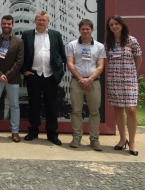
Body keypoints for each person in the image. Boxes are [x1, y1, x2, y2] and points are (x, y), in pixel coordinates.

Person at [21, 11, 66, 145]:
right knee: (33, 104)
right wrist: (24, 71)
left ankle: (52, 134)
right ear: (35, 21)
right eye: (39, 20)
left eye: (44, 20)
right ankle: (33, 130)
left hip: (50, 76)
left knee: (51, 106)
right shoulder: (27, 35)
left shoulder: (55, 35)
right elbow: (21, 54)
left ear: (48, 22)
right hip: (34, 75)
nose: (41, 22)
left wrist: (59, 72)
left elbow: (62, 55)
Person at [66, 19, 106, 151]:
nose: (85, 31)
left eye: (87, 29)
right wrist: (81, 79)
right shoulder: (72, 45)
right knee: (76, 111)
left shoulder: (99, 46)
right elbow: (70, 63)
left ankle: (94, 139)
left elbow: (100, 66)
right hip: (76, 82)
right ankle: (76, 137)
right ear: (79, 30)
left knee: (94, 112)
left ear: (92, 30)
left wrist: (89, 79)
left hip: (93, 83)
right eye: (83, 29)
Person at [105, 15, 142, 155]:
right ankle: (122, 139)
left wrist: (132, 73)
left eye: (116, 24)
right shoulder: (108, 42)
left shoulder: (131, 40)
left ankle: (132, 142)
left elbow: (138, 58)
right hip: (114, 80)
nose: (114, 27)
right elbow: (107, 59)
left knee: (131, 110)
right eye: (111, 25)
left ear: (122, 25)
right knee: (118, 109)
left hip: (129, 80)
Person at [0, 15, 24, 143]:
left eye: (9, 24)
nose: (6, 26)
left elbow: (19, 62)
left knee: (14, 106)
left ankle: (15, 132)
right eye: (4, 24)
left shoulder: (19, 42)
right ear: (1, 24)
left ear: (12, 25)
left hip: (12, 79)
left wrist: (7, 75)